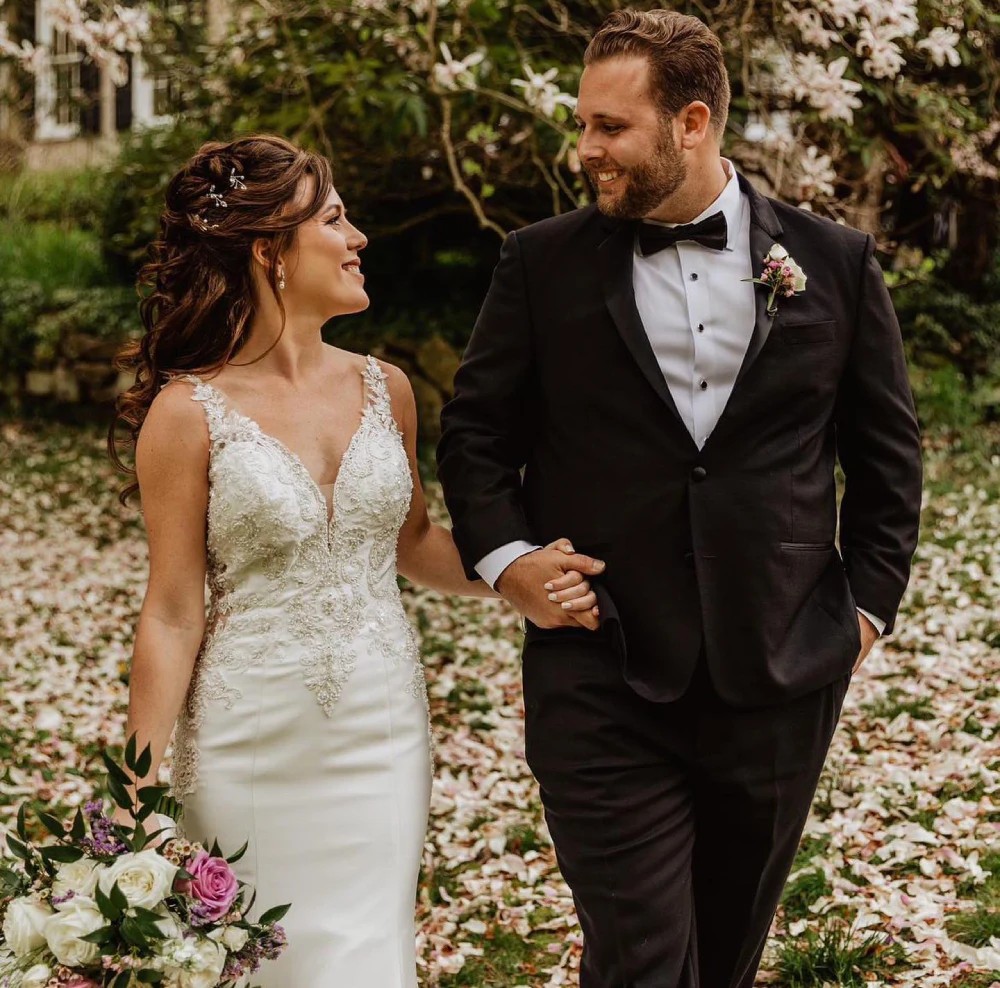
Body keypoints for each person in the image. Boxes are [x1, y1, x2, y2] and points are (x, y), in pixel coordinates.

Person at [437, 9, 923, 988]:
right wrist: (508, 561)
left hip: (781, 669)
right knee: (643, 955)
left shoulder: (832, 263)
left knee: (723, 956)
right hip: (599, 667)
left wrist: (864, 610)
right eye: (582, 123)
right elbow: (474, 437)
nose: (584, 149)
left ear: (691, 122)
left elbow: (886, 454)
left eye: (609, 127)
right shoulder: (540, 264)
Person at [107, 134, 605, 987]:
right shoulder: (186, 414)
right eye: (335, 219)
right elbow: (171, 612)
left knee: (368, 961)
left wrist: (518, 576)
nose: (359, 237)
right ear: (270, 252)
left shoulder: (388, 388)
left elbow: (411, 543)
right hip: (247, 744)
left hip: (379, 736)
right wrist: (137, 798)